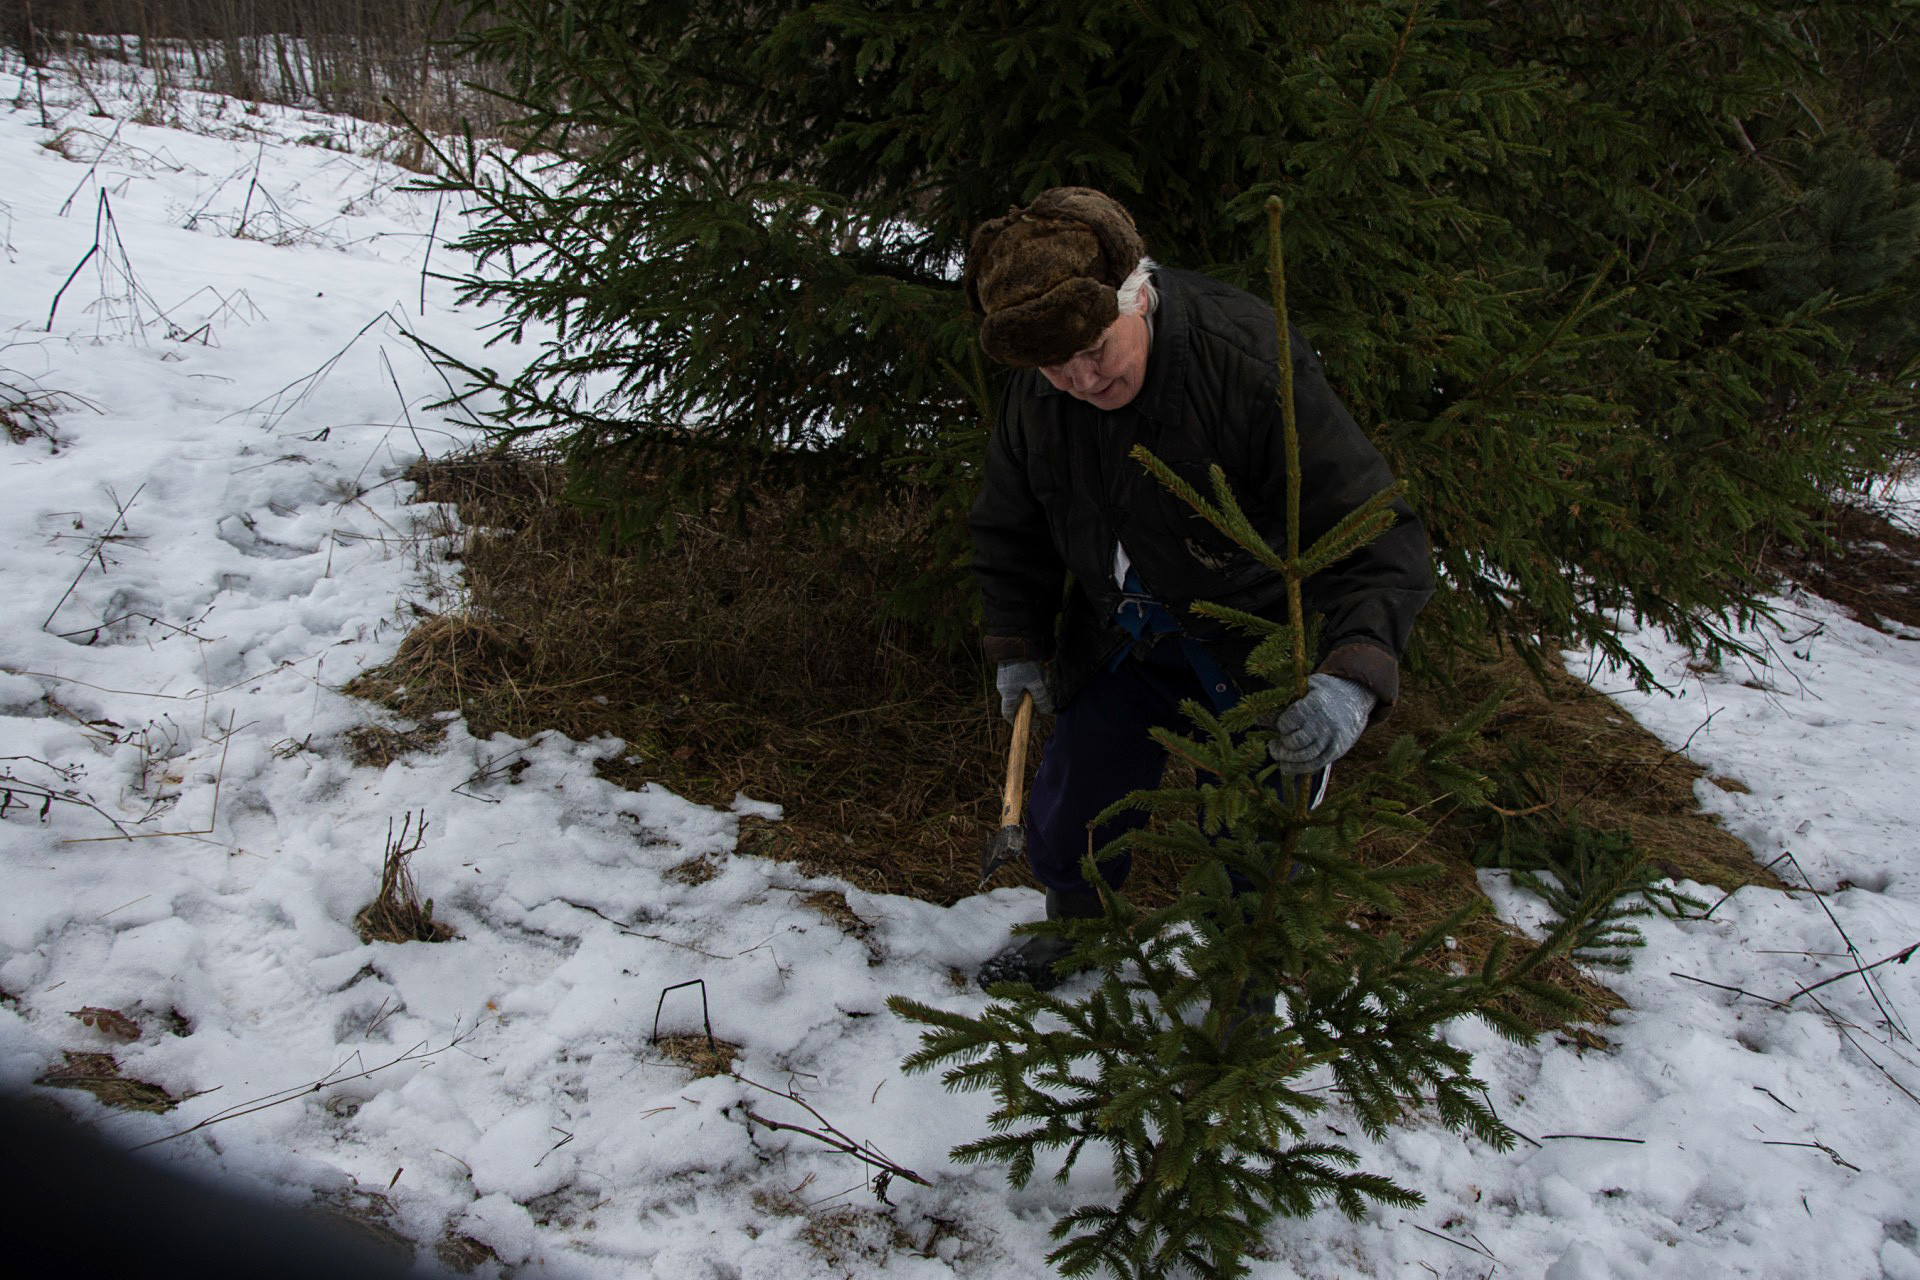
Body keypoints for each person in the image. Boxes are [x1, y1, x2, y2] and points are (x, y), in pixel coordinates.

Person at [964, 186, 1434, 988]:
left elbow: (1374, 531)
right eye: (1053, 364)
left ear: (1136, 298)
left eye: (1094, 351)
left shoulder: (1246, 361)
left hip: (1247, 631)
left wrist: (1351, 679)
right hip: (1119, 634)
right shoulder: (1039, 393)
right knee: (1077, 796)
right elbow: (1011, 530)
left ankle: (1241, 982)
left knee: (1251, 823)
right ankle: (1078, 929)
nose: (1077, 379)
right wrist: (1017, 645)